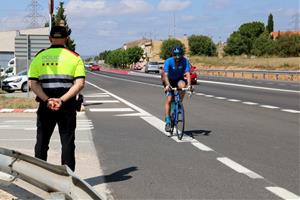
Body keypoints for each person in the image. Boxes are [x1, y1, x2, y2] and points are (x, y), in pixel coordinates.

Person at [28, 26, 85, 171]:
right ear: (66, 39)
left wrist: (47, 100)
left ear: (50, 38)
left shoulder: (39, 57)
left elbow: (32, 83)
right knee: (67, 142)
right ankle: (67, 180)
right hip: (67, 106)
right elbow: (79, 84)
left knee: (41, 141)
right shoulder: (75, 57)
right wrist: (61, 100)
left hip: (45, 105)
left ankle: (40, 176)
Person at [163, 46, 191, 132]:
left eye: (179, 55)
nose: (178, 57)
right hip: (169, 80)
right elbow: (165, 75)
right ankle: (168, 121)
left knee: (183, 86)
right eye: (175, 55)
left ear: (182, 54)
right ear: (173, 55)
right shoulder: (168, 61)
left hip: (179, 79)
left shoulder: (185, 61)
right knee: (169, 99)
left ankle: (179, 103)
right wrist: (167, 85)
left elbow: (187, 73)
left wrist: (189, 85)